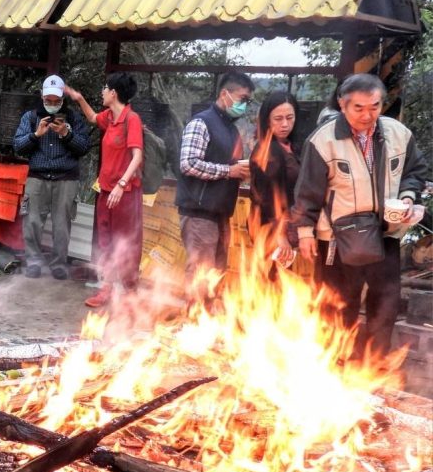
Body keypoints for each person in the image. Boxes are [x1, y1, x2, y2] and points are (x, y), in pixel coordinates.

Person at [291, 73, 429, 357]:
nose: (368, 115)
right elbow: (307, 193)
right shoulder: (323, 141)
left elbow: (414, 171)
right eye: (359, 108)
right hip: (338, 239)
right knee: (338, 305)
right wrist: (304, 233)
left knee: (386, 304)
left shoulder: (397, 134)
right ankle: (332, 363)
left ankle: (372, 367)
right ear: (343, 105)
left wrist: (407, 197)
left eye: (375, 107)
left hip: (385, 233)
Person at [67, 73, 145, 307]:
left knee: (127, 242)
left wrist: (122, 185)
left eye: (105, 88)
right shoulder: (110, 117)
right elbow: (92, 118)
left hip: (125, 194)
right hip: (105, 191)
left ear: (114, 93)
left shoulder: (132, 119)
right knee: (106, 242)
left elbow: (137, 156)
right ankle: (107, 289)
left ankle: (130, 292)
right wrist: (79, 99)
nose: (102, 91)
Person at [13, 74, 93, 280]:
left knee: (62, 225)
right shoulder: (30, 118)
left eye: (56, 101)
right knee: (32, 222)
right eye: (48, 100)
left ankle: (59, 264)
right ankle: (33, 262)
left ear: (62, 100)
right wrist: (36, 134)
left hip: (66, 178)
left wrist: (67, 134)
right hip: (37, 178)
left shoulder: (74, 119)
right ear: (41, 96)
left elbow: (84, 147)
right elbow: (18, 147)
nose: (52, 104)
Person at [177, 71, 255, 276]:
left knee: (216, 274)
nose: (245, 105)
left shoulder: (231, 129)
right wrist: (229, 171)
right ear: (224, 94)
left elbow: (228, 166)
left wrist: (241, 171)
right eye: (242, 99)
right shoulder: (201, 123)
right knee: (201, 274)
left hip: (220, 213)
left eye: (248, 101)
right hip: (199, 212)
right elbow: (188, 164)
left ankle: (207, 308)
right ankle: (194, 308)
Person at [249, 91, 301, 267]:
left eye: (290, 117)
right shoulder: (265, 151)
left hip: (290, 225)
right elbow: (264, 198)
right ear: (267, 120)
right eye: (278, 118)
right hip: (269, 228)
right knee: (273, 285)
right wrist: (279, 235)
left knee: (287, 283)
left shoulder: (293, 146)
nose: (285, 124)